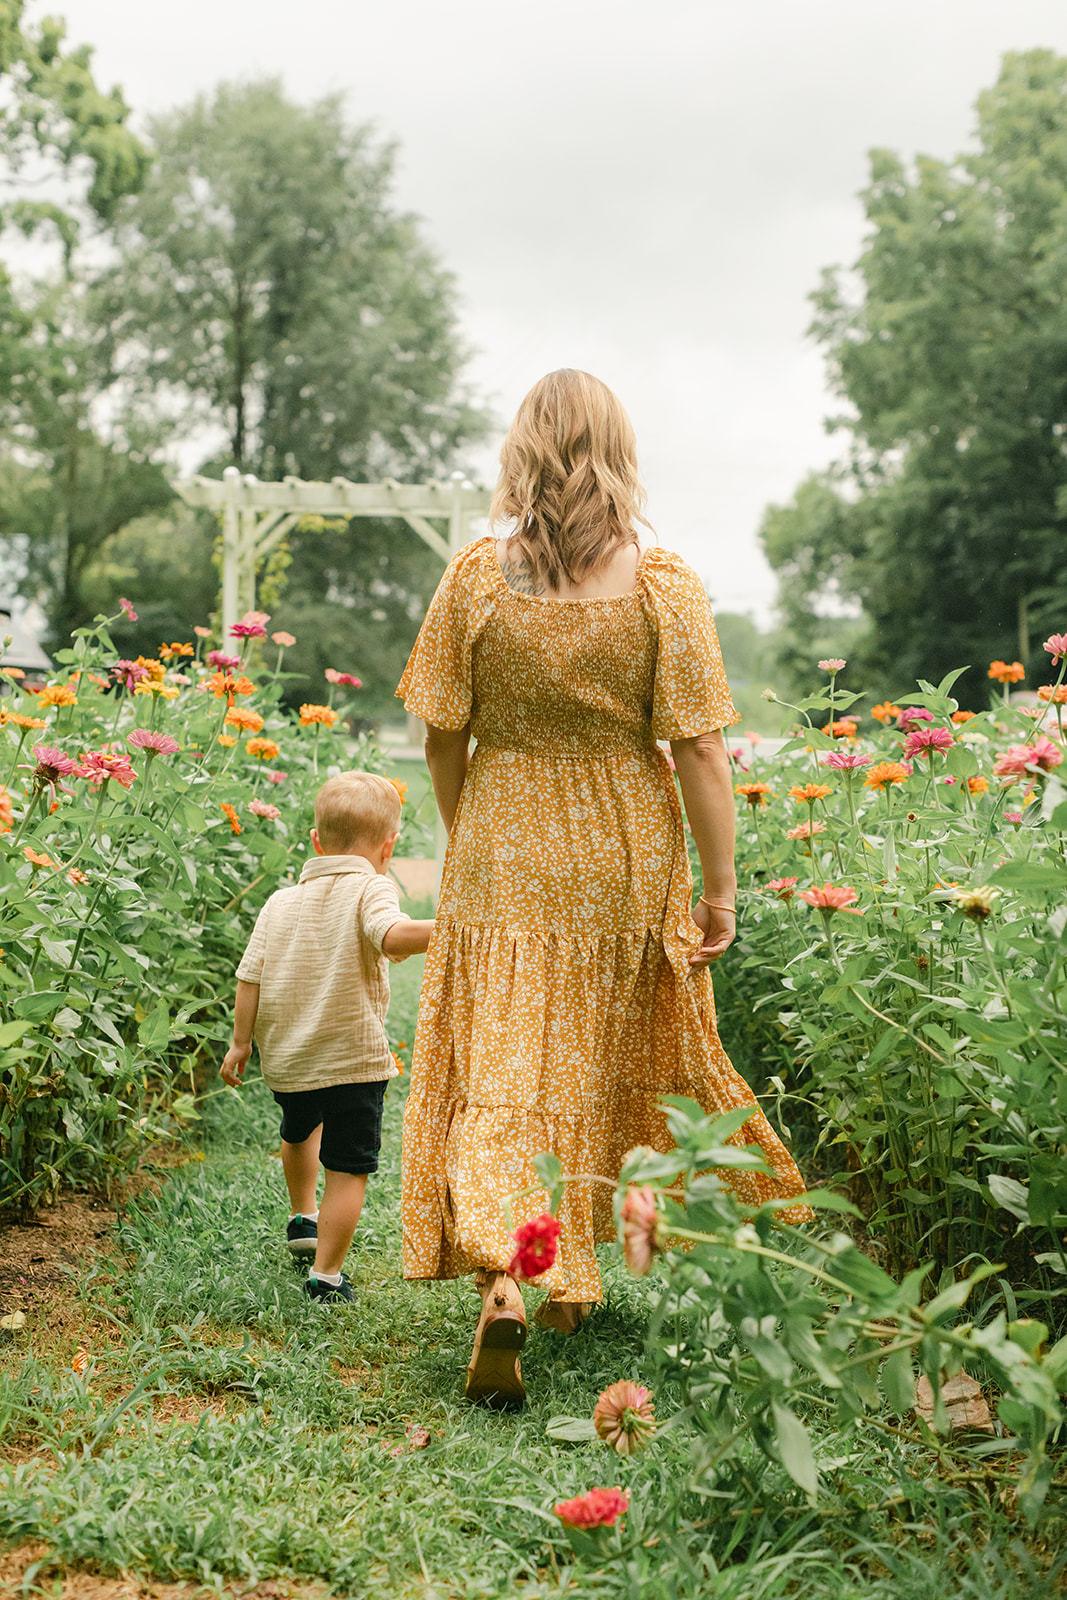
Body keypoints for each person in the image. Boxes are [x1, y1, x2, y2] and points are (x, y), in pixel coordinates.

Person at [397, 368, 810, 1405]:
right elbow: (702, 750)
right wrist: (720, 888)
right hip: (622, 843)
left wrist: (473, 835)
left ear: (520, 448)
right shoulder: (661, 581)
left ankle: (516, 1272)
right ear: (617, 452)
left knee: (506, 1054)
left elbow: (441, 732)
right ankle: (565, 1268)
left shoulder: (474, 577)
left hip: (504, 830)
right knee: (599, 1049)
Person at [221, 771, 434, 1303]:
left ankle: (301, 1217)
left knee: (298, 1133)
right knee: (347, 1169)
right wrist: (456, 926)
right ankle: (327, 1276)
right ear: (388, 848)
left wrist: (240, 1043)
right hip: (353, 1061)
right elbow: (390, 935)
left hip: (291, 1060)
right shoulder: (372, 885)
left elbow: (250, 977)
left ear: (316, 841)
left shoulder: (278, 902)